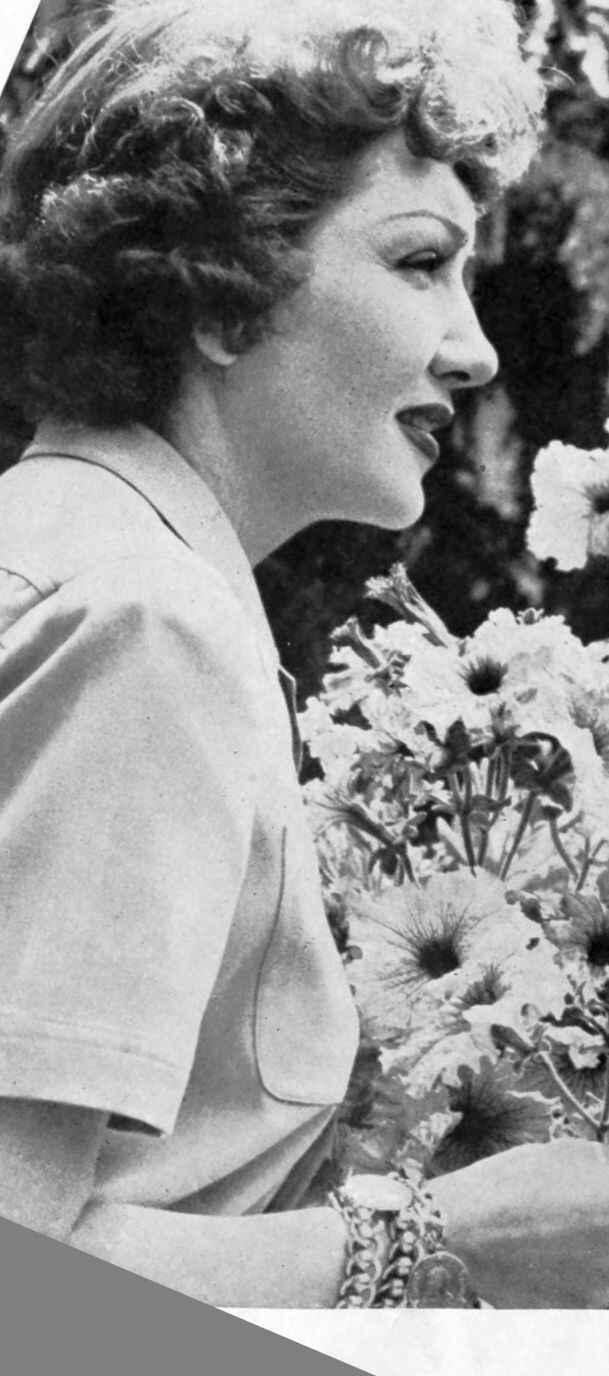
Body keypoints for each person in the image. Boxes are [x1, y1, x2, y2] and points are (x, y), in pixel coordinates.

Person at [0, 0, 608, 1310]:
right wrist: (448, 1241)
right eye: (418, 261)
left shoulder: (73, 553)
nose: (476, 349)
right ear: (219, 290)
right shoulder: (141, 622)